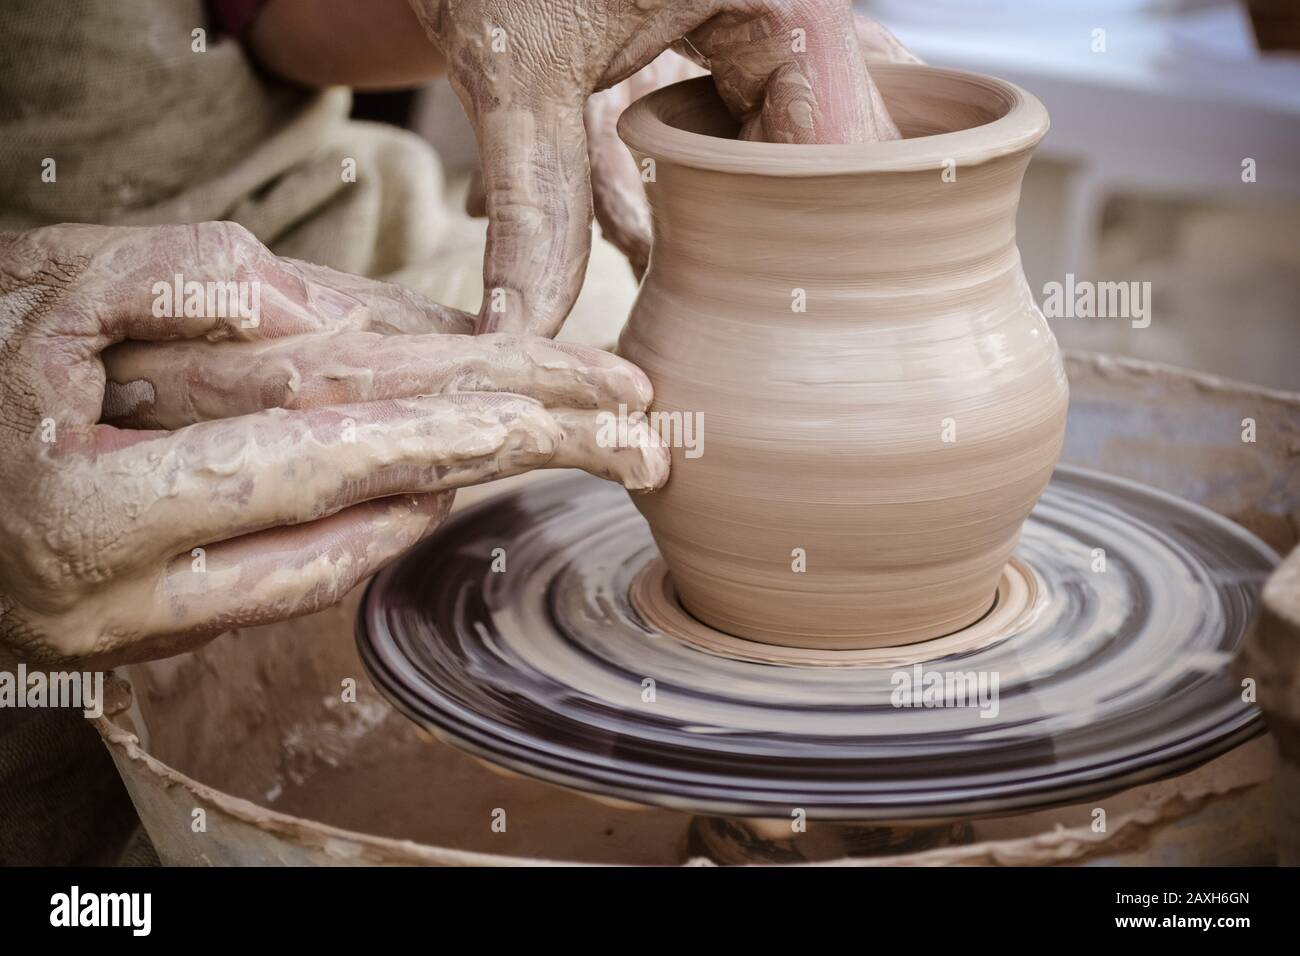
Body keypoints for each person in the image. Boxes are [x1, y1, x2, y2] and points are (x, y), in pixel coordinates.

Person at [0, 0, 912, 861]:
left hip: (278, 227)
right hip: (44, 342)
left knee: (616, 365)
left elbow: (260, 24)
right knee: (59, 727)